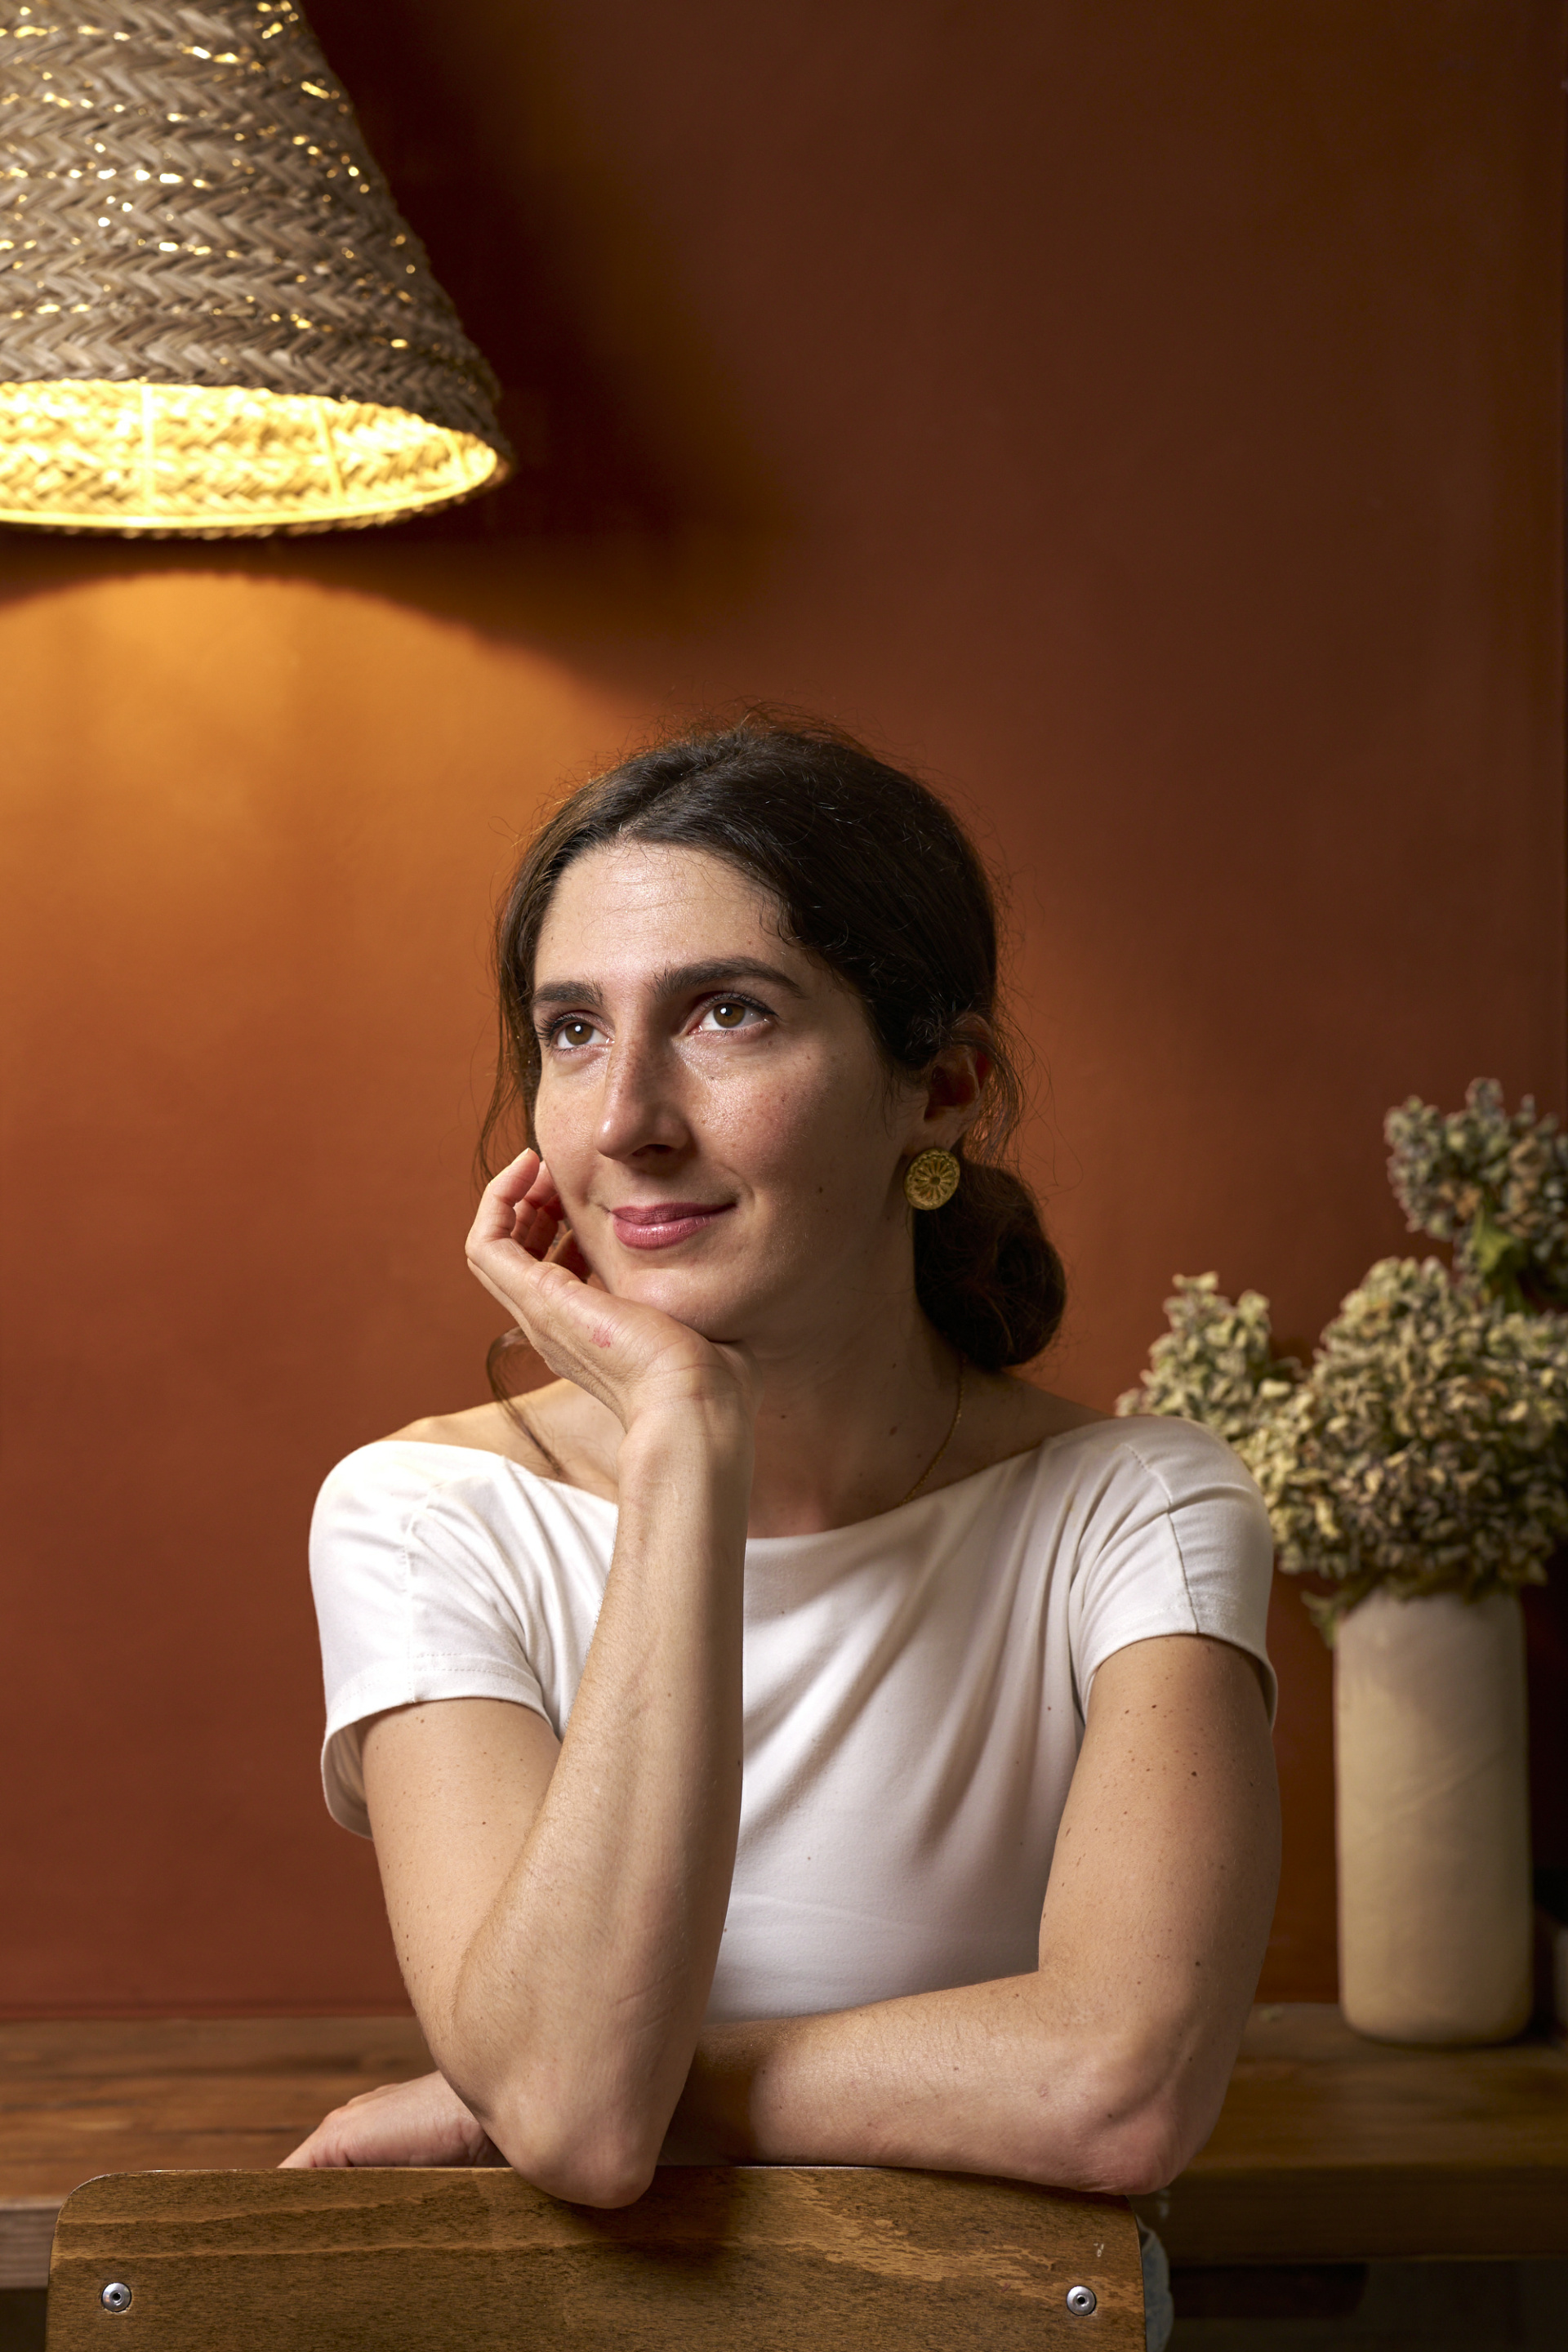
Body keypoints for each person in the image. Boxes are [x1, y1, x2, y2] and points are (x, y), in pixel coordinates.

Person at [287, 719, 1276, 2348]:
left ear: (941, 1089)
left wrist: (553, 2086)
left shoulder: (1139, 1510)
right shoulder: (423, 1515)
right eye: (574, 1030)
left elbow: (1119, 2089)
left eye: (726, 1014)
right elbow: (579, 2123)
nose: (628, 1119)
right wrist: (685, 1437)